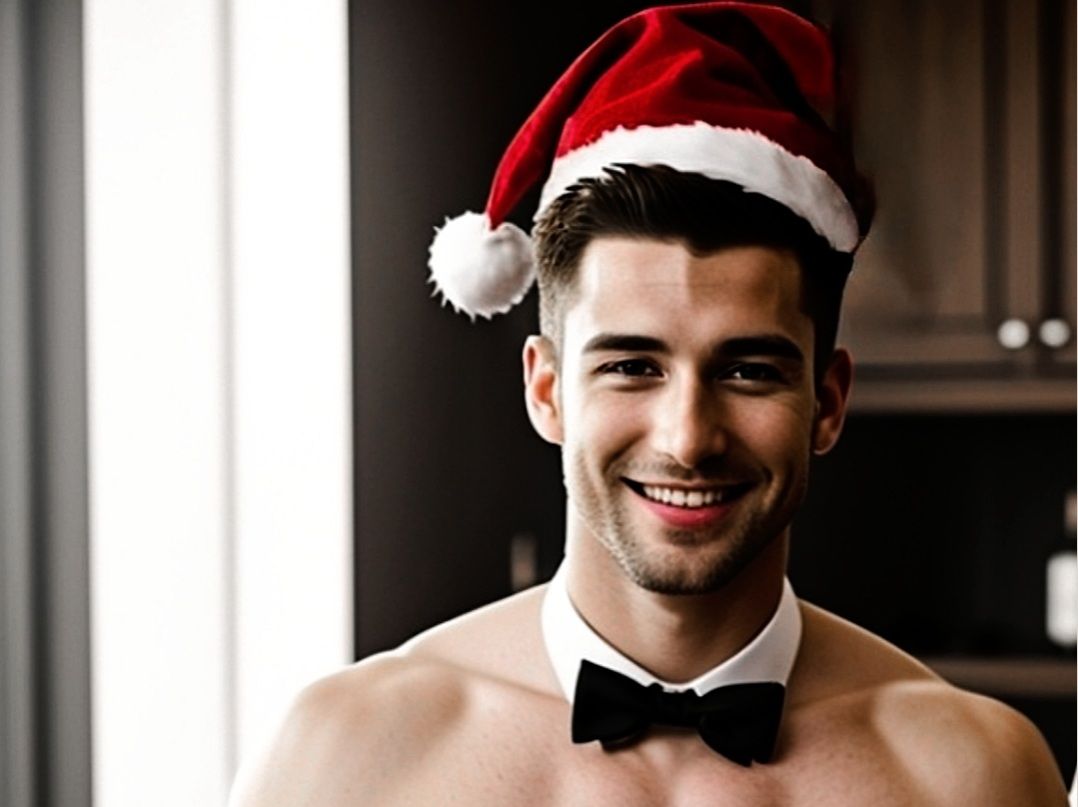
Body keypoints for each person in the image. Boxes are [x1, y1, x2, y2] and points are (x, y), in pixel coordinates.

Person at [229, 3, 1069, 804]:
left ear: (828, 400)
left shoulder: (973, 777)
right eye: (633, 365)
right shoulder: (338, 760)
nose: (688, 437)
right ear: (547, 388)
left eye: (747, 371)